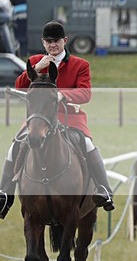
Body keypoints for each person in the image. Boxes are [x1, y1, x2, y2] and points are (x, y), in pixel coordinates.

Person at [0, 20, 115, 218]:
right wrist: (37, 68)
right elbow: (20, 86)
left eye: (56, 41)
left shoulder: (80, 65)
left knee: (87, 144)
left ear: (65, 41)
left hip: (69, 116)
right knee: (16, 145)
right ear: (43, 42)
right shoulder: (36, 60)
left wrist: (63, 95)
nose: (52, 45)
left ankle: (104, 189)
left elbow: (85, 93)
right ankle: (4, 193)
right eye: (49, 41)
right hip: (39, 118)